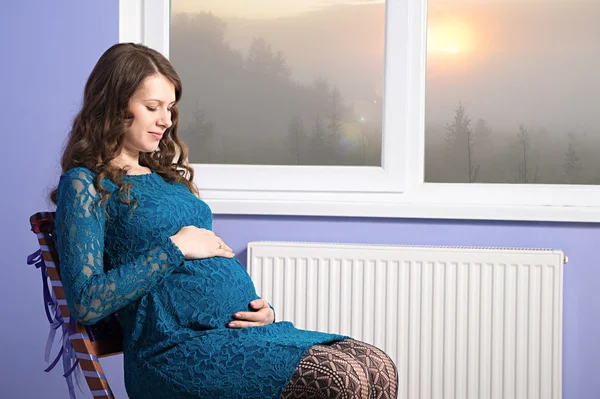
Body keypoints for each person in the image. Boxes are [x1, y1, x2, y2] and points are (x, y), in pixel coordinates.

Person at [51, 42, 398, 399]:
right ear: (113, 106)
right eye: (152, 107)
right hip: (174, 352)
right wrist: (175, 248)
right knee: (339, 378)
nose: (166, 120)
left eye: (169, 108)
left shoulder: (163, 177)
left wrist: (258, 310)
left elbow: (203, 270)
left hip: (237, 334)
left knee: (375, 365)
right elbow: (87, 302)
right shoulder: (84, 184)